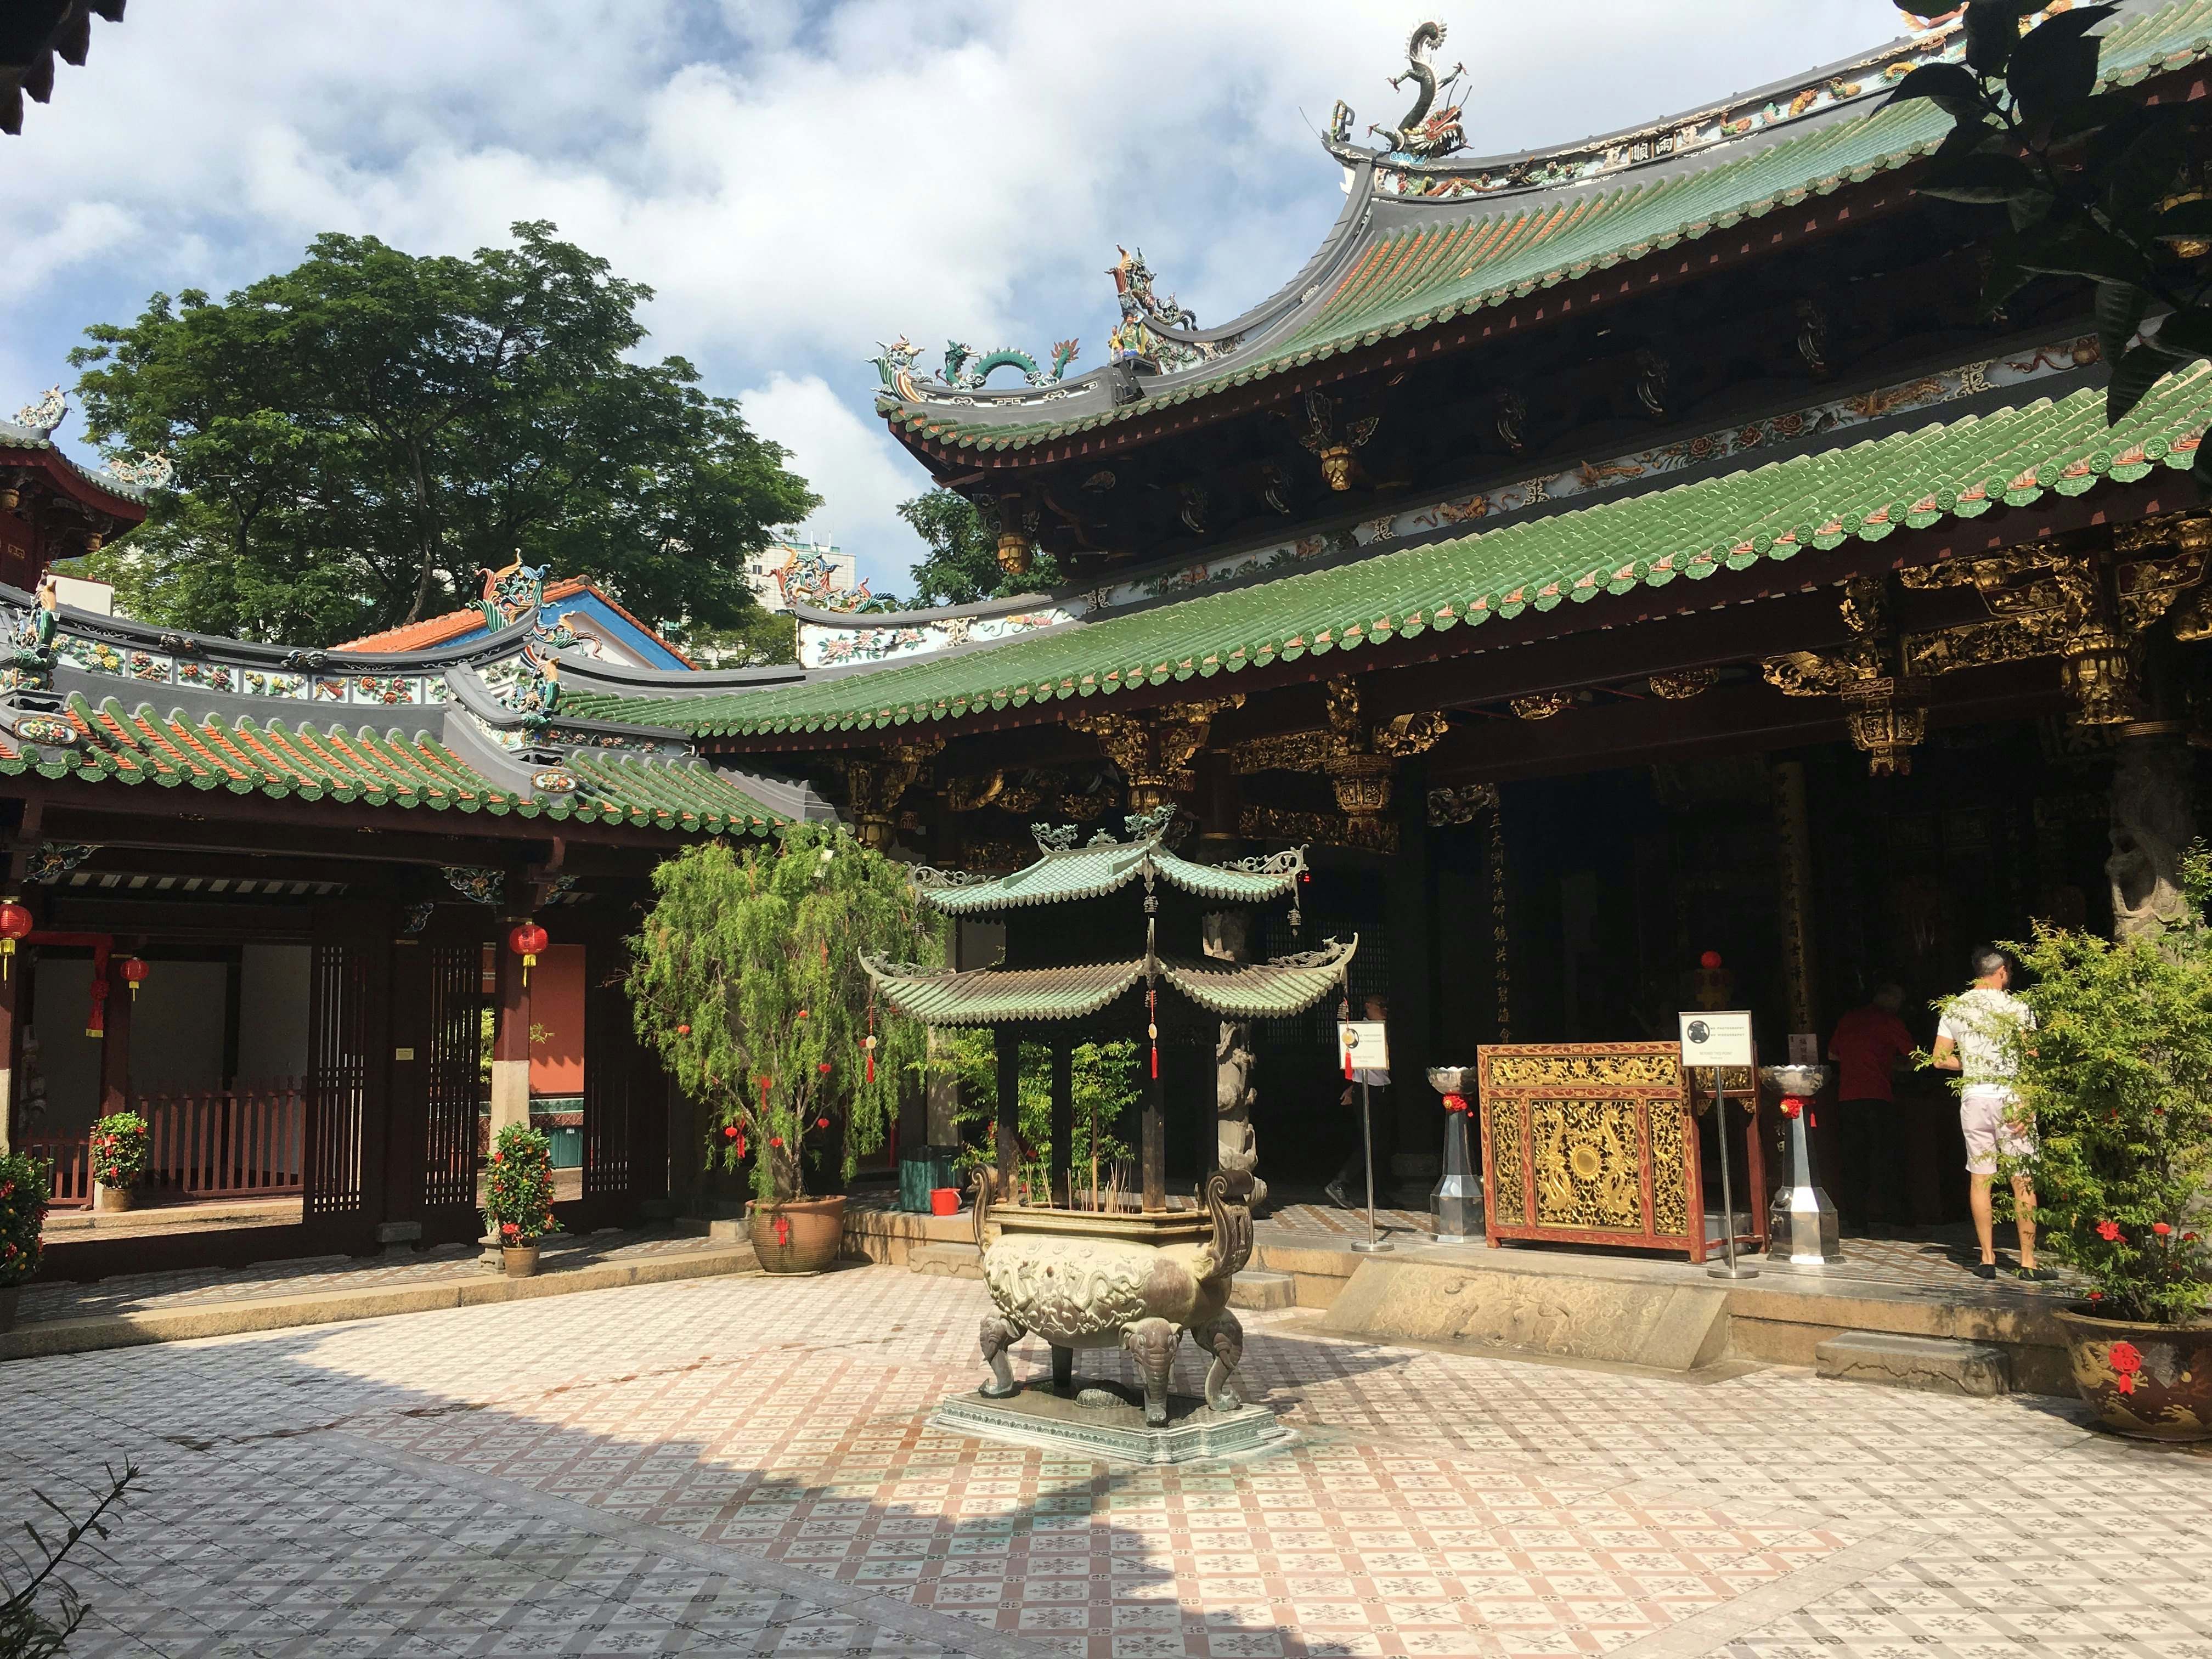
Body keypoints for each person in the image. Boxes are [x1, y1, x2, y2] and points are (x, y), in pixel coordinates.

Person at [1931, 944, 2054, 1282]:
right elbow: (2031, 1058)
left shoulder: (1956, 1007)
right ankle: (2027, 1263)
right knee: (2022, 1179)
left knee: (1981, 1177)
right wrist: (2028, 1102)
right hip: (2012, 1096)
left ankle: (1987, 1259)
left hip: (1975, 1097)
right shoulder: (2017, 1006)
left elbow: (1939, 1059)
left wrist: (1971, 1063)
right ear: (2002, 971)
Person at [1826, 983, 1916, 1233]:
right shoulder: (1890, 1021)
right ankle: (1896, 1217)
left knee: (1854, 1161)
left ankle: (1856, 1219)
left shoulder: (1849, 1019)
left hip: (1848, 1098)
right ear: (1892, 1000)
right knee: (1888, 1159)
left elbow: (1833, 1055)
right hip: (1878, 1096)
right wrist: (1893, 1066)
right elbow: (1915, 1058)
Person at [1325, 992, 1390, 1209]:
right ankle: (1339, 1183)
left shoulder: (1381, 1029)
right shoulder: (1360, 1031)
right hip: (1367, 1090)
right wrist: (1354, 1087)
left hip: (1381, 1088)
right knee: (1369, 1142)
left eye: (1386, 1006)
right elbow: (1355, 1062)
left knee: (1380, 1144)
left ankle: (1378, 1194)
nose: (1385, 1010)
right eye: (1381, 1005)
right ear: (1368, 1006)